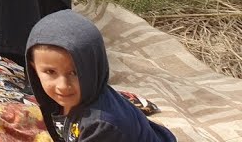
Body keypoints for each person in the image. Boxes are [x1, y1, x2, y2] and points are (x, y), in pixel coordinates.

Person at [27, 10, 177, 142]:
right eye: (50, 72)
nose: (63, 86)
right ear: (34, 69)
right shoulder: (60, 101)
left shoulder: (101, 125)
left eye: (75, 73)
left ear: (95, 69)